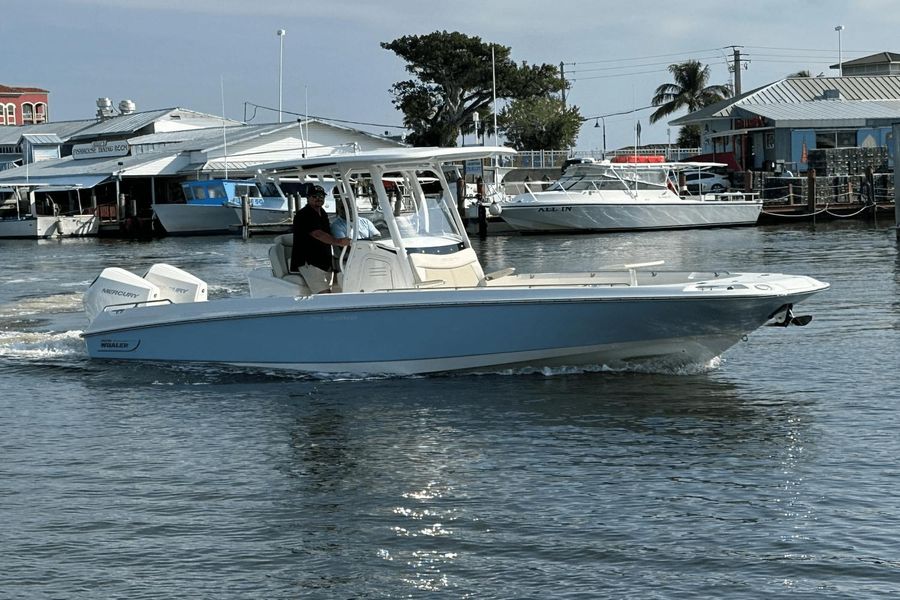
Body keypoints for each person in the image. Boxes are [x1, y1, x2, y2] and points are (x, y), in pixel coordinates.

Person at [290, 185, 350, 293]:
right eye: (315, 196)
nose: (319, 198)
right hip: (309, 262)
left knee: (335, 290)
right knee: (324, 294)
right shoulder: (304, 214)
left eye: (322, 196)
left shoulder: (322, 213)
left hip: (324, 262)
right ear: (308, 198)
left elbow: (328, 233)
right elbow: (318, 234)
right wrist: (339, 242)